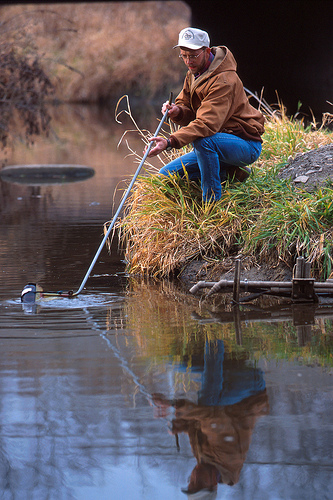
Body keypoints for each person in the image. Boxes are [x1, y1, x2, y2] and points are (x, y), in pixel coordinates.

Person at [147, 27, 265, 202]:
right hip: (218, 142)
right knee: (166, 176)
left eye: (193, 55)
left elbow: (206, 124)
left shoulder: (224, 80)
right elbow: (185, 106)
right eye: (184, 55)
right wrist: (176, 111)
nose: (188, 61)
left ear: (207, 51)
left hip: (245, 144)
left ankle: (211, 202)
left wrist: (170, 142)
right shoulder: (194, 73)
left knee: (203, 140)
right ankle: (232, 173)